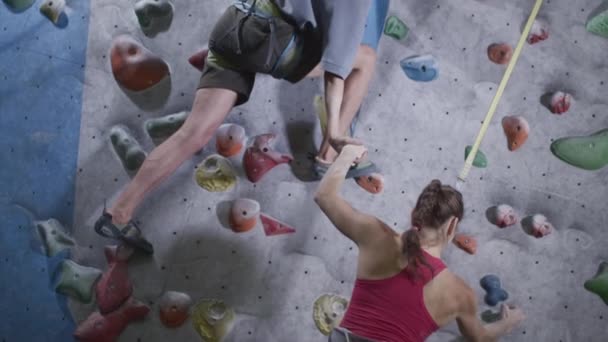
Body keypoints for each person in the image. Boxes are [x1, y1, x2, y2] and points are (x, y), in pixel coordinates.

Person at [94, 0, 389, 253]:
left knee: (194, 133)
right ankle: (327, 155)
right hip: (265, 38)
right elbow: (338, 68)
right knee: (365, 58)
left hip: (234, 24)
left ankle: (118, 213)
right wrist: (336, 131)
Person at [314, 144, 525, 342]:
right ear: (452, 226)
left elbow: (324, 196)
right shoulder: (460, 294)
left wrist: (348, 153)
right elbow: (480, 338)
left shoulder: (376, 236)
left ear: (414, 213)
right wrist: (508, 322)